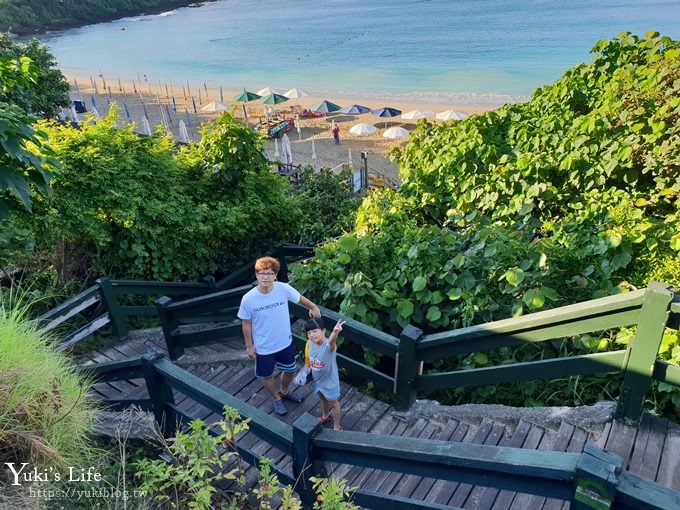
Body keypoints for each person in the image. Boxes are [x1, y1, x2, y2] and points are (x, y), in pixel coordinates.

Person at [238, 256, 321, 416]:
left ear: (275, 275)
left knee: (290, 369)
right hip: (263, 347)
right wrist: (249, 345)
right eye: (261, 273)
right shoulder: (248, 299)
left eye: (269, 273)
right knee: (266, 375)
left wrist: (313, 306)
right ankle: (276, 398)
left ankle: (284, 391)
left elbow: (299, 298)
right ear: (256, 275)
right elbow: (246, 323)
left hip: (285, 342)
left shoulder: (283, 289)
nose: (265, 277)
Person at [304, 317, 345, 430]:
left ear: (323, 331)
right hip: (318, 380)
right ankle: (325, 416)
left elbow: (331, 342)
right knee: (322, 398)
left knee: (334, 403)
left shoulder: (328, 347)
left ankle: (337, 426)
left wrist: (335, 332)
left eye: (315, 331)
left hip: (330, 382)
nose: (312, 335)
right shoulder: (309, 343)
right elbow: (309, 358)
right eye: (309, 332)